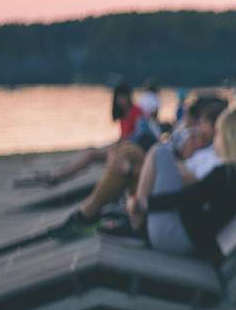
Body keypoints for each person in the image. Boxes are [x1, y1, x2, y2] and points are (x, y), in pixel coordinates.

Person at [54, 95, 223, 235]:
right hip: (162, 194)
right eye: (199, 122)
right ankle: (90, 210)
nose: (199, 127)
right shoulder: (204, 149)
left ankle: (90, 212)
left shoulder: (211, 156)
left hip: (164, 206)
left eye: (203, 123)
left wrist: (131, 171)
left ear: (216, 127)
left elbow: (187, 184)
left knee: (136, 154)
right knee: (129, 151)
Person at [121, 102, 236, 257]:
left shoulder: (226, 173)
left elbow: (187, 198)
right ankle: (137, 218)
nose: (216, 139)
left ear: (229, 138)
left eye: (218, 133)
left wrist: (143, 204)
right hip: (189, 239)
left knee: (160, 152)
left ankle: (136, 220)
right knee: (161, 153)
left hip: (178, 239)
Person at [36, 83, 146, 186]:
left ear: (128, 97)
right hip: (122, 146)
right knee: (90, 151)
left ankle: (58, 176)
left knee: (93, 155)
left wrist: (117, 145)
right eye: (118, 98)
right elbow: (124, 137)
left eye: (123, 97)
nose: (120, 100)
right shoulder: (123, 115)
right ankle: (59, 174)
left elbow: (139, 135)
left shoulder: (136, 112)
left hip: (130, 150)